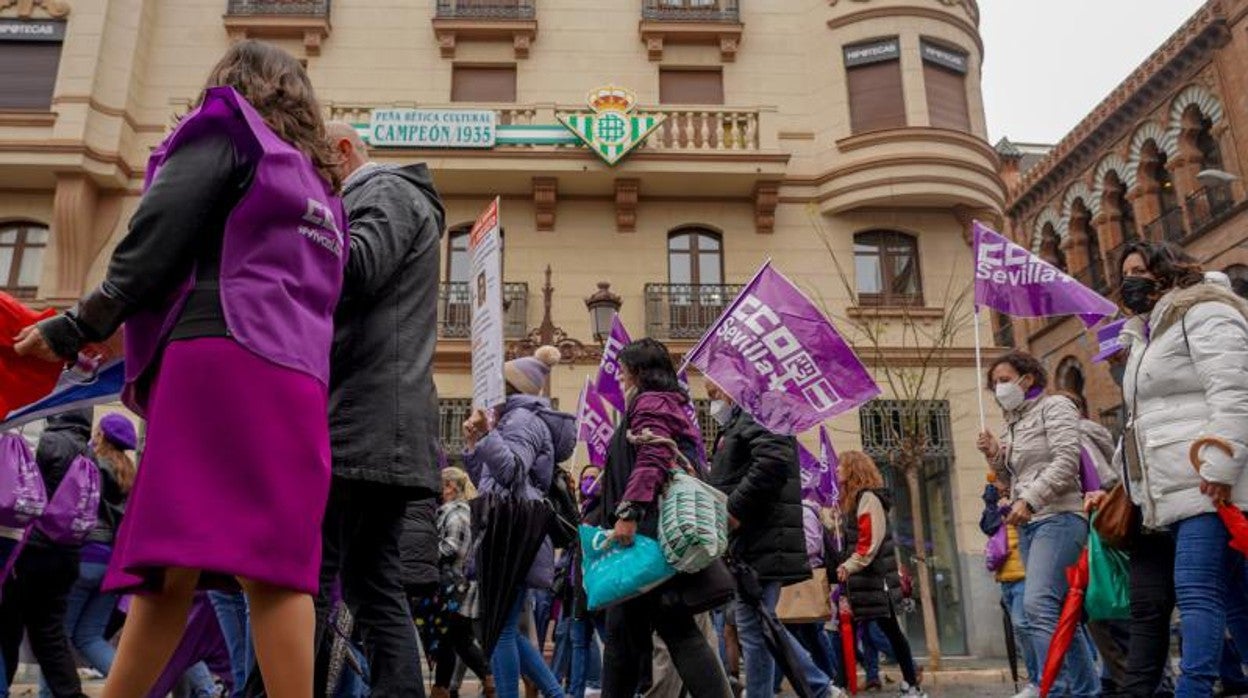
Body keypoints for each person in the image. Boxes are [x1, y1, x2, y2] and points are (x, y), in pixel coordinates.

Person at [14, 40, 346, 698]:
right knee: (272, 568)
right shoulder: (318, 185)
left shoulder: (226, 128)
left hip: (220, 361)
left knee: (170, 562)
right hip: (299, 380)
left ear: (232, 82)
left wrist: (82, 324)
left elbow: (156, 232)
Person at [315, 121, 445, 697]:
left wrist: (302, 217)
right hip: (379, 425)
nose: (312, 181)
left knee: (315, 575)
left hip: (364, 423)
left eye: (317, 166)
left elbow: (355, 268)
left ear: (343, 151)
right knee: (370, 583)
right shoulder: (387, 195)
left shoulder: (383, 191)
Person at [1095, 241, 1248, 697]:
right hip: (1167, 492)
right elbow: (1143, 423)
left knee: (1197, 591)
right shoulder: (1148, 334)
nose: (1131, 280)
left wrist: (1218, 469)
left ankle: (1194, 690)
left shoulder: (1206, 313)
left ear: (1168, 269)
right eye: (1125, 273)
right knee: (1237, 598)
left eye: (1140, 269)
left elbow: (1235, 393)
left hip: (1206, 483)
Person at [596, 338, 731, 698]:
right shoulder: (656, 402)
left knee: (649, 634)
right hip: (646, 534)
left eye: (623, 371)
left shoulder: (650, 401)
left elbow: (653, 454)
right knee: (647, 632)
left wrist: (629, 511)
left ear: (640, 372)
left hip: (645, 534)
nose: (620, 378)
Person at [976, 351, 1098, 697]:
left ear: (1027, 379)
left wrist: (1030, 499)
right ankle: (1086, 690)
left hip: (1059, 517)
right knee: (1057, 613)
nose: (999, 388)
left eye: (1003, 379)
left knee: (1037, 606)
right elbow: (1009, 480)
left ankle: (1054, 689)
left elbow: (1066, 460)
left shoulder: (1055, 407)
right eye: (995, 383)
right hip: (1030, 524)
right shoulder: (1013, 422)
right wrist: (995, 455)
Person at [704, 382, 834, 698]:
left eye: (710, 380)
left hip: (761, 536)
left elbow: (772, 461)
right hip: (752, 537)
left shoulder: (760, 410)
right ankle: (812, 689)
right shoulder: (742, 416)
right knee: (758, 623)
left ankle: (820, 689)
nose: (707, 387)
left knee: (758, 623)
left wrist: (734, 509)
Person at [463, 346, 574, 698]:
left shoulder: (522, 420)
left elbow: (511, 471)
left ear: (512, 389)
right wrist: (475, 443)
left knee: (501, 629)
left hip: (511, 531)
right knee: (504, 625)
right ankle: (556, 694)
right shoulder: (511, 420)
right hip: (509, 529)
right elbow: (489, 478)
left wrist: (487, 436)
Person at [0, 410, 94, 698]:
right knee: (50, 634)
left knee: (8, 629)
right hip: (67, 554)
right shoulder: (88, 451)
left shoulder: (47, 442)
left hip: (32, 551)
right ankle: (71, 694)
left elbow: (24, 493)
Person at [834, 451, 924, 698]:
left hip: (875, 582)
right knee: (848, 633)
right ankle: (841, 684)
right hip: (861, 583)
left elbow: (867, 543)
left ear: (853, 469)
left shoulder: (868, 499)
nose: (837, 470)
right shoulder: (853, 501)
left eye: (841, 466)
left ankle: (912, 683)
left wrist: (848, 566)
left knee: (891, 631)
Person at [58, 414, 137, 687]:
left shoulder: (91, 465)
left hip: (85, 558)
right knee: (89, 636)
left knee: (59, 637)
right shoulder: (130, 473)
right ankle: (138, 689)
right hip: (112, 565)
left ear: (101, 435)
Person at [432, 467, 494, 698]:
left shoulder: (456, 512)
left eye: (441, 484)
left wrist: (426, 553)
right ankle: (447, 687)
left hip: (453, 585)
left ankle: (444, 687)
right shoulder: (460, 510)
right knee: (458, 637)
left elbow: (451, 547)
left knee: (454, 637)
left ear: (450, 487)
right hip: (459, 585)